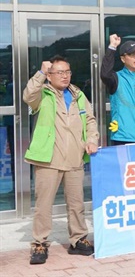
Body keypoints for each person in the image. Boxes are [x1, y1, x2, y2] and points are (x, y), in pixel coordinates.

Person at [23, 56, 99, 265]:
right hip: (48, 159)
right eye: (59, 72)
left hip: (75, 157)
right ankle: (39, 243)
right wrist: (40, 73)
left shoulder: (79, 95)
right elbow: (28, 96)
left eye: (68, 72)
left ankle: (78, 239)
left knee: (76, 204)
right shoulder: (43, 94)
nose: (65, 76)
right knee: (43, 205)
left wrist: (91, 139)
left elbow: (90, 121)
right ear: (50, 75)